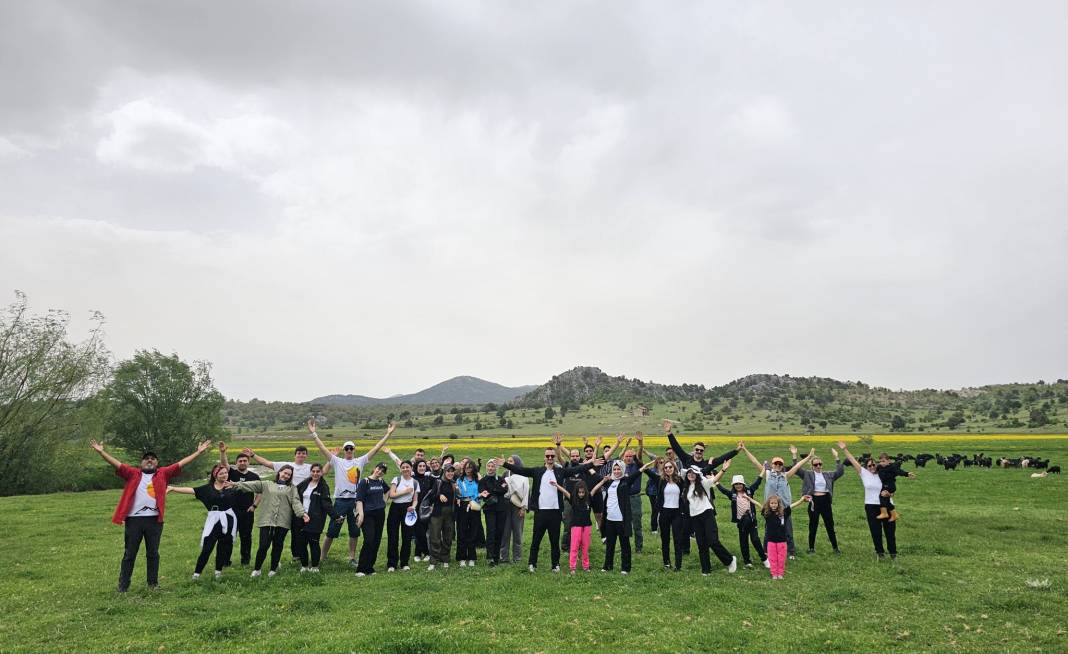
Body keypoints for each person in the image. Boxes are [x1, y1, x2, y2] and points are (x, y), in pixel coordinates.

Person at [90, 438, 212, 592]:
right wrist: (101, 452)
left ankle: (153, 585)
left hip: (154, 520)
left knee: (153, 553)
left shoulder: (163, 473)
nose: (149, 461)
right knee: (129, 554)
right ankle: (123, 586)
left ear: (157, 462)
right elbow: (117, 464)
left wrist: (198, 452)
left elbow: (182, 463)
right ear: (141, 463)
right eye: (146, 459)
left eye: (152, 459)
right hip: (134, 521)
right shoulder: (132, 473)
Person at [308, 419, 393, 567]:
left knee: (355, 532)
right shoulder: (336, 461)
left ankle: (352, 558)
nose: (348, 451)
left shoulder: (360, 461)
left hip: (355, 502)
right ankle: (322, 557)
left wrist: (388, 434)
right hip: (340, 501)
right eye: (346, 448)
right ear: (344, 450)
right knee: (332, 531)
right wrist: (314, 433)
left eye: (351, 448)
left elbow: (376, 448)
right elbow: (323, 449)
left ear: (354, 450)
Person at [498, 448, 598, 573]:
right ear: (544, 457)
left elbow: (576, 469)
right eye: (548, 456)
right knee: (536, 540)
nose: (550, 458)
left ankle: (555, 565)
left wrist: (591, 464)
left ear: (555, 457)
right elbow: (521, 470)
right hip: (540, 512)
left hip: (555, 512)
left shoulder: (560, 472)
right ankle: (532, 563)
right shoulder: (537, 471)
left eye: (552, 456)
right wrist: (505, 464)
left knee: (554, 541)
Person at [226, 464, 309, 577]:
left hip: (282, 521)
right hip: (267, 520)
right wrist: (235, 484)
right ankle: (257, 569)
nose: (286, 476)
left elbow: (296, 502)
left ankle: (273, 569)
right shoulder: (267, 484)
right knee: (263, 545)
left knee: (278, 545)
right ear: (279, 472)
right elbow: (251, 485)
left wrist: (302, 514)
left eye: (289, 475)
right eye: (284, 473)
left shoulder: (292, 489)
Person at [166, 464, 238, 580]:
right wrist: (173, 488)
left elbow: (247, 489)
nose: (224, 475)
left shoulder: (231, 486)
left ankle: (218, 572)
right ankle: (197, 574)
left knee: (223, 547)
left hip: (228, 518)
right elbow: (192, 490)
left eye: (225, 472)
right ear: (215, 475)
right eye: (221, 473)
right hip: (214, 519)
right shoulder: (207, 488)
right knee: (207, 547)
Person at [741, 444, 813, 559]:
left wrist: (808, 457)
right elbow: (755, 462)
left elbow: (797, 466)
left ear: (782, 466)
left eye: (780, 464)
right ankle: (766, 552)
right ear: (772, 465)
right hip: (770, 507)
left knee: (787, 529)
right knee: (768, 530)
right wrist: (745, 449)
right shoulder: (768, 474)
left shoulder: (785, 476)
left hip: (783, 508)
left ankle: (791, 552)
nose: (778, 465)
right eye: (776, 463)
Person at [244, 443, 312, 562]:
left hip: (298, 502)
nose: (301, 455)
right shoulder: (285, 466)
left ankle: (297, 555)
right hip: (282, 501)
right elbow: (267, 463)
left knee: (297, 531)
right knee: (275, 530)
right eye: (299, 453)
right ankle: (274, 559)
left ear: (306, 455)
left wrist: (331, 459)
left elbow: (322, 471)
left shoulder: (309, 468)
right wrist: (253, 455)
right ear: (295, 455)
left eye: (303, 453)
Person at [590, 457, 655, 574]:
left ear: (623, 469)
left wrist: (643, 468)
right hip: (610, 519)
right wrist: (588, 466)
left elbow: (637, 474)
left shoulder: (626, 481)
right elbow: (594, 474)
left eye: (618, 469)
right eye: (614, 469)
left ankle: (625, 568)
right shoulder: (609, 481)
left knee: (625, 545)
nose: (616, 471)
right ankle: (607, 566)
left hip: (621, 519)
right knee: (610, 544)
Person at [838, 441, 901, 559]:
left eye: (874, 465)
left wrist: (891, 493)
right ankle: (880, 554)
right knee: (876, 532)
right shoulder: (864, 474)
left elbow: (892, 486)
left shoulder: (884, 472)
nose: (872, 467)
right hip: (871, 506)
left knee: (890, 532)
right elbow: (852, 461)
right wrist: (845, 449)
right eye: (869, 465)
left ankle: (893, 554)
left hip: (887, 505)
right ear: (866, 467)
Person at [790, 445, 846, 554]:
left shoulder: (828, 475)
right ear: (812, 466)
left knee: (830, 525)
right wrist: (794, 455)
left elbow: (840, 472)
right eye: (816, 464)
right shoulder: (807, 474)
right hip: (814, 501)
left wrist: (837, 457)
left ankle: (835, 548)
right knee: (813, 525)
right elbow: (796, 468)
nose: (818, 466)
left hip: (825, 501)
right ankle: (811, 548)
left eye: (820, 464)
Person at [684, 465, 737, 576]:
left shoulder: (703, 483)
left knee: (712, 541)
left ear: (697, 474)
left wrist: (723, 469)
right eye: (689, 473)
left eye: (693, 473)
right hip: (695, 518)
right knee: (701, 544)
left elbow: (715, 479)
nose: (690, 474)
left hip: (707, 514)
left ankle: (730, 560)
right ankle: (706, 570)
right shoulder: (686, 487)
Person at [714, 460, 768, 569]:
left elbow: (758, 481)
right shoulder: (732, 494)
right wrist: (715, 480)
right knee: (743, 542)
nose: (738, 486)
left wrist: (763, 470)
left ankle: (764, 559)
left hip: (752, 520)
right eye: (736, 484)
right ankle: (747, 561)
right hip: (741, 522)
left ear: (743, 484)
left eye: (740, 484)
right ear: (733, 485)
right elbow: (722, 489)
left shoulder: (749, 491)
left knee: (755, 539)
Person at [217, 442, 260, 566]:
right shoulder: (232, 473)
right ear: (236, 463)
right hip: (231, 511)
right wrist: (223, 452)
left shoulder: (254, 476)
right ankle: (226, 561)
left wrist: (254, 505)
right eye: (240, 461)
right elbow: (224, 464)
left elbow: (260, 492)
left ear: (248, 462)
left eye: (244, 460)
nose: (242, 462)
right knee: (229, 536)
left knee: (246, 537)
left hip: (247, 511)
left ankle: (245, 561)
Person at [754, 494, 808, 579]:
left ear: (779, 504)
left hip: (782, 541)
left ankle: (780, 573)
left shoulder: (784, 513)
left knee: (781, 558)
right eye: (771, 503)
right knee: (772, 558)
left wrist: (801, 500)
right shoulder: (767, 514)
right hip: (771, 541)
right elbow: (758, 504)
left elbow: (792, 506)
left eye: (775, 503)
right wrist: (748, 498)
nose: (773, 505)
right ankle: (774, 573)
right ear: (769, 504)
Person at [382, 450, 420, 572]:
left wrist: (413, 507)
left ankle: (404, 563)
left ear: (411, 468)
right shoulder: (396, 479)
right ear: (400, 469)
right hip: (395, 508)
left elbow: (415, 499)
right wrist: (404, 491)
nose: (405, 469)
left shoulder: (415, 482)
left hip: (408, 509)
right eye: (403, 467)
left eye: (407, 467)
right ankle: (391, 564)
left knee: (407, 537)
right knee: (393, 537)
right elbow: (392, 495)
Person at [647, 457, 686, 571]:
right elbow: (648, 472)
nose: (668, 469)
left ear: (674, 468)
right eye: (666, 467)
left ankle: (678, 565)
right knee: (665, 539)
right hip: (664, 512)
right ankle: (666, 562)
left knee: (677, 539)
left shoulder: (680, 480)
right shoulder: (661, 480)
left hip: (677, 513)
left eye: (670, 467)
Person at [293, 463, 332, 572]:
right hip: (300, 517)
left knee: (314, 542)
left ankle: (315, 566)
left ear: (321, 473)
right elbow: (294, 495)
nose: (315, 473)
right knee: (301, 543)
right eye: (313, 471)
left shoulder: (323, 487)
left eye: (318, 471)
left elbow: (327, 503)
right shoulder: (304, 483)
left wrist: (335, 516)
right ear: (310, 472)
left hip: (315, 519)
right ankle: (304, 566)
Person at [353, 462, 390, 577]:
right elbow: (359, 500)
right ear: (375, 468)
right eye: (379, 469)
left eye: (383, 471)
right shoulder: (365, 482)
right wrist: (361, 514)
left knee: (376, 541)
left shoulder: (381, 481)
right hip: (367, 514)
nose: (380, 472)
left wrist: (384, 501)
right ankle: (361, 568)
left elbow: (388, 490)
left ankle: (370, 567)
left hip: (379, 514)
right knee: (369, 539)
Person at [555, 479, 593, 573]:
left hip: (587, 526)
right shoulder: (573, 499)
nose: (581, 494)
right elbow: (564, 491)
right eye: (579, 492)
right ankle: (572, 567)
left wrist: (603, 481)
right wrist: (556, 485)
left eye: (583, 492)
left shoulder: (589, 498)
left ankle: (586, 566)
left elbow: (595, 488)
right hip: (576, 526)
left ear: (586, 492)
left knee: (585, 547)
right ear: (576, 492)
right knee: (574, 547)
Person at [477, 458, 509, 566]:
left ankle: (496, 556)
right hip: (489, 510)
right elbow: (483, 492)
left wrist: (492, 490)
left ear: (496, 468)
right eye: (489, 466)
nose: (490, 468)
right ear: (486, 467)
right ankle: (490, 557)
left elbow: (505, 489)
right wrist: (496, 490)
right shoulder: (482, 481)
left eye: (493, 466)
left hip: (501, 509)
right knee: (491, 532)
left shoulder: (501, 479)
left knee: (499, 532)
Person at [499, 454, 529, 564]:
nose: (508, 463)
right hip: (506, 506)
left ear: (517, 463)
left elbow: (526, 493)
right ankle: (504, 557)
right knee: (505, 532)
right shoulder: (505, 474)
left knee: (517, 532)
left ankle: (517, 558)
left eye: (511, 461)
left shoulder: (523, 475)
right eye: (508, 461)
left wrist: (523, 508)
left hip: (518, 507)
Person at [427, 464, 457, 570]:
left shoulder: (454, 483)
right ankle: (434, 561)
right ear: (444, 472)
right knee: (435, 537)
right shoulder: (438, 482)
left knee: (448, 536)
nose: (450, 473)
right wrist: (439, 495)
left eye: (452, 471)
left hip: (450, 514)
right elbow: (430, 497)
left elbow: (456, 497)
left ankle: (445, 559)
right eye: (448, 471)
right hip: (437, 513)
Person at [623, 432, 646, 553]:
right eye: (626, 456)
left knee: (637, 525)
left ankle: (639, 548)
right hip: (623, 499)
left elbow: (640, 454)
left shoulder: (637, 465)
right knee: (623, 525)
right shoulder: (619, 467)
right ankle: (625, 547)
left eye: (631, 456)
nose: (628, 458)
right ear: (623, 457)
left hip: (635, 498)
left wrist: (640, 442)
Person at [875, 453, 916, 522]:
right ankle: (894, 515)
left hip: (890, 486)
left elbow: (899, 471)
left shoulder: (892, 467)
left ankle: (884, 513)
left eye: (883, 461)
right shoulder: (880, 467)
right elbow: (875, 469)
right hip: (885, 485)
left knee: (881, 496)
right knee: (887, 501)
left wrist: (907, 474)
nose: (882, 463)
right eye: (880, 461)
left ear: (889, 461)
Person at [455, 460, 481, 566]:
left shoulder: (477, 480)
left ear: (473, 469)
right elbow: (457, 493)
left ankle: (471, 557)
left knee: (473, 531)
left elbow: (478, 492)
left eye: (470, 468)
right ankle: (461, 557)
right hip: (463, 506)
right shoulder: (459, 480)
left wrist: (473, 500)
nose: (468, 470)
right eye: (466, 467)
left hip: (474, 505)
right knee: (462, 531)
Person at [411, 460, 433, 561]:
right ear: (416, 467)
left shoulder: (429, 479)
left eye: (424, 466)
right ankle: (422, 552)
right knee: (418, 532)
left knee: (424, 531)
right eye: (420, 466)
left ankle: (422, 553)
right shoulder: (412, 479)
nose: (422, 468)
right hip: (414, 508)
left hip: (425, 509)